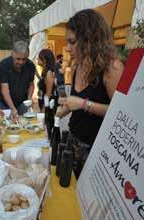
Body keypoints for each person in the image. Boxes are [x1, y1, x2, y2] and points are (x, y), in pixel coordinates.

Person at [57, 9, 124, 178]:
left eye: (72, 42)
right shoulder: (77, 66)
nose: (67, 48)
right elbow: (77, 102)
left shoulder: (112, 67)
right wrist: (66, 108)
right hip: (72, 142)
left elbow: (120, 113)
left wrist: (82, 104)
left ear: (89, 39)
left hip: (95, 151)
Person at [0, 41, 35, 121]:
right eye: (18, 59)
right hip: (4, 104)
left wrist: (29, 98)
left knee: (22, 125)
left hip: (22, 104)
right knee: (4, 127)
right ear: (12, 54)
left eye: (24, 59)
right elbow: (5, 90)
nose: (21, 62)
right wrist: (13, 109)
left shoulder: (31, 66)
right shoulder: (3, 65)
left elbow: (31, 84)